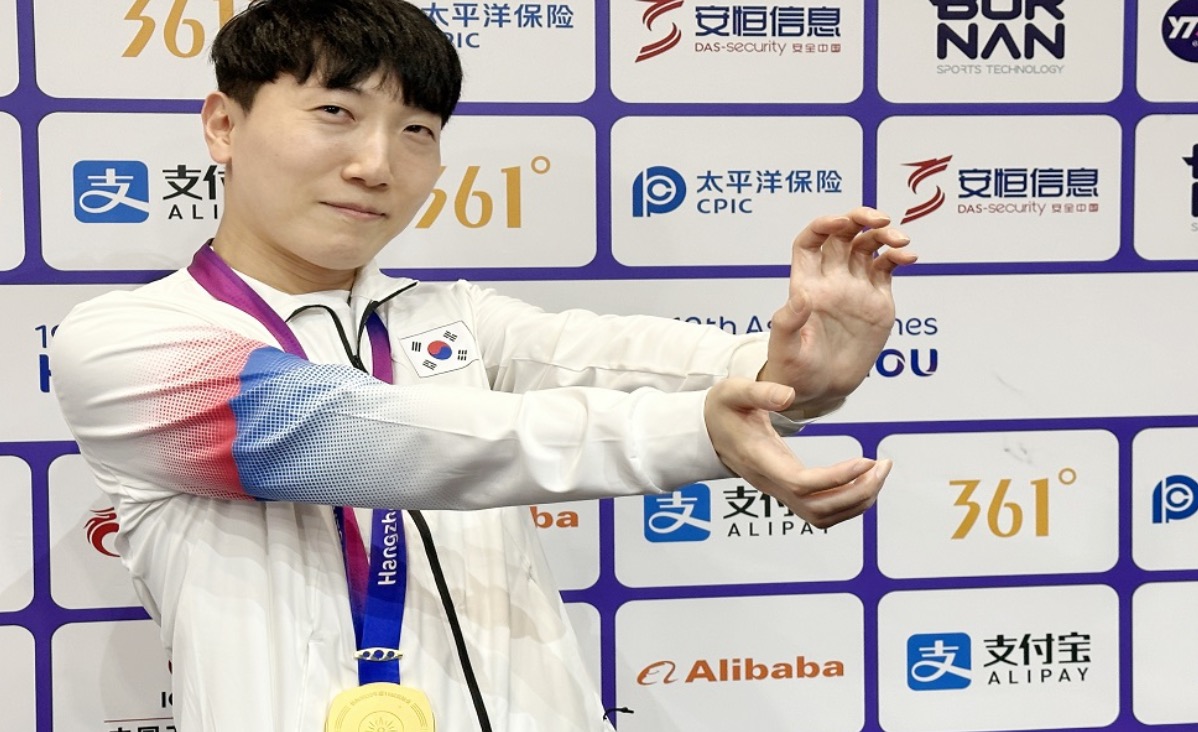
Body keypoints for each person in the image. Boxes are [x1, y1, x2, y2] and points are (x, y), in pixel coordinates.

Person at [49, 1, 916, 730]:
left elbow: (642, 361)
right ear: (223, 125)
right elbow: (381, 438)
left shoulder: (452, 319)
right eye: (335, 112)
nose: (376, 165)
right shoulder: (131, 344)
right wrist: (700, 434)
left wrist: (802, 369)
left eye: (416, 130)